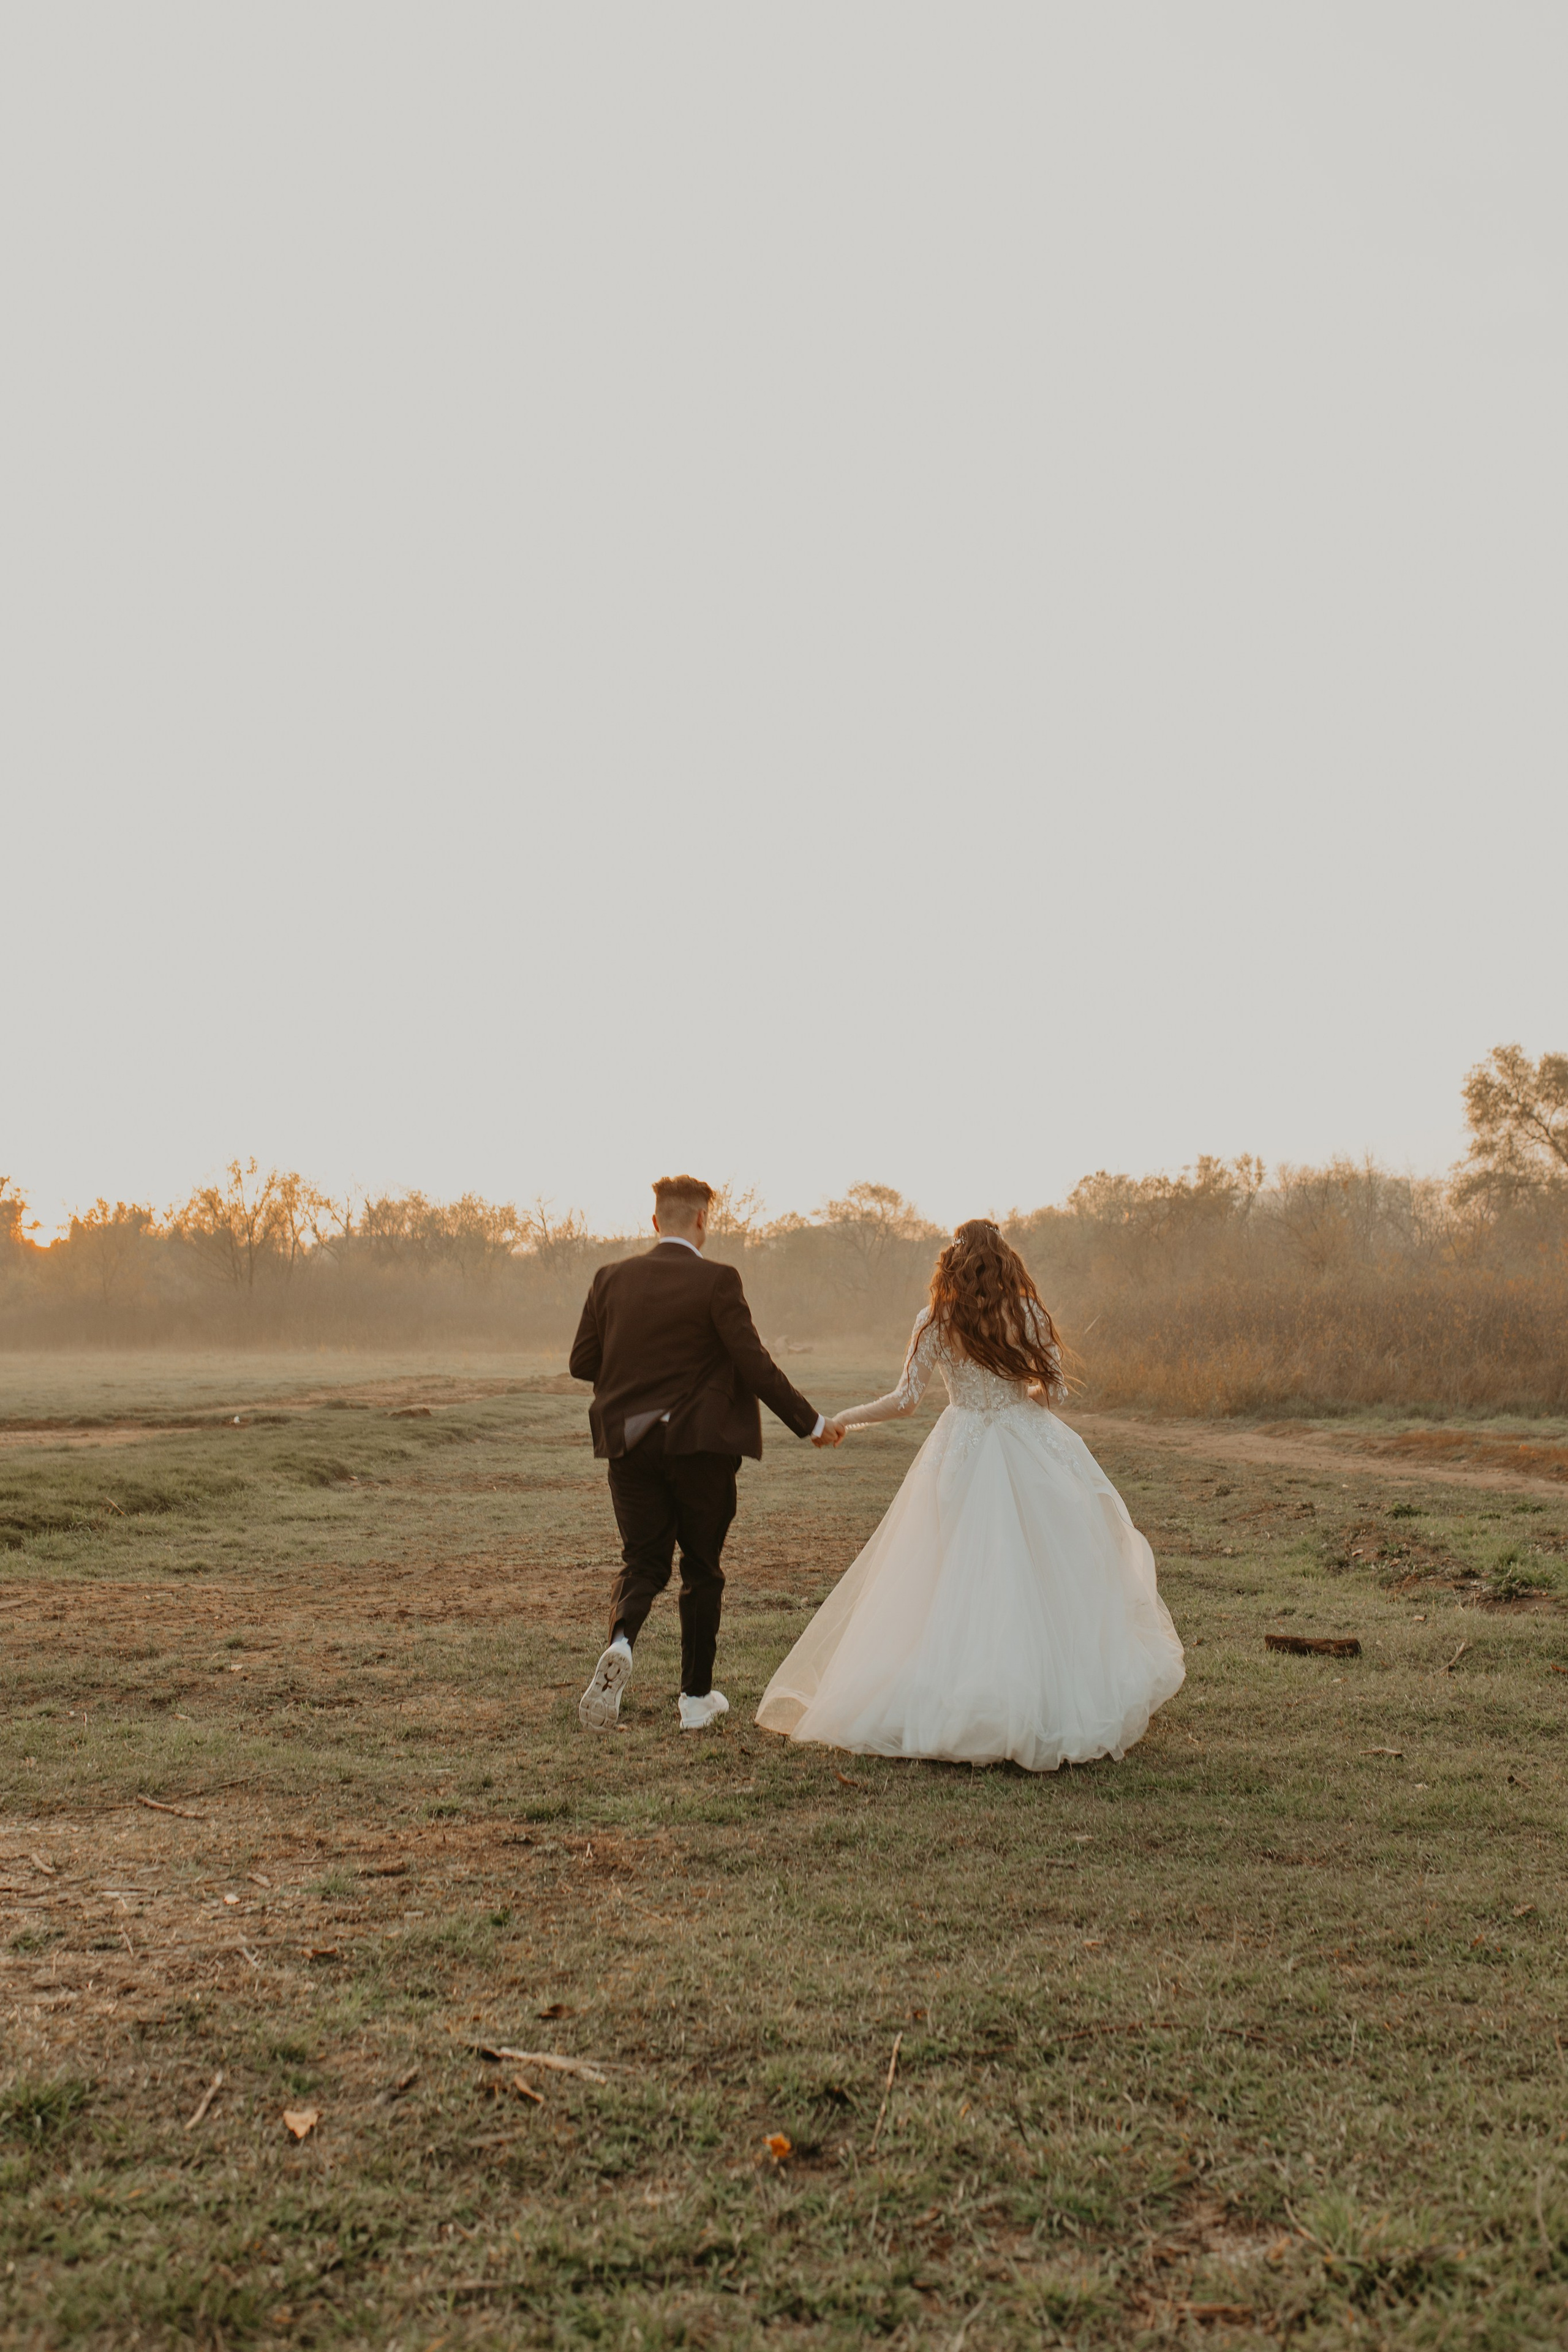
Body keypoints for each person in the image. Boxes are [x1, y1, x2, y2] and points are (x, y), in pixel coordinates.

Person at [756, 1220, 1184, 1770]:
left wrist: (846, 1419)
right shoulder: (1026, 1314)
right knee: (1039, 1570)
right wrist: (1017, 1390)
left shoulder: (936, 1319)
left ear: (953, 1263)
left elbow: (906, 1400)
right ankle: (1040, 1694)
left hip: (960, 1448)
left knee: (958, 1572)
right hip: (1027, 1443)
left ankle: (963, 1693)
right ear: (1005, 1259)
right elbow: (1053, 1392)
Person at [570, 1174, 843, 1733]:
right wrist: (809, 1422)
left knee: (643, 1561)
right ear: (700, 1220)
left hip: (630, 1444)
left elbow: (582, 1362)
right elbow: (752, 1360)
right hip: (701, 1446)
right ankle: (695, 1701)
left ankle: (622, 1641)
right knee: (701, 1568)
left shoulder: (609, 1279)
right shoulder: (719, 1280)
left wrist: (634, 1380)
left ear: (655, 1222)